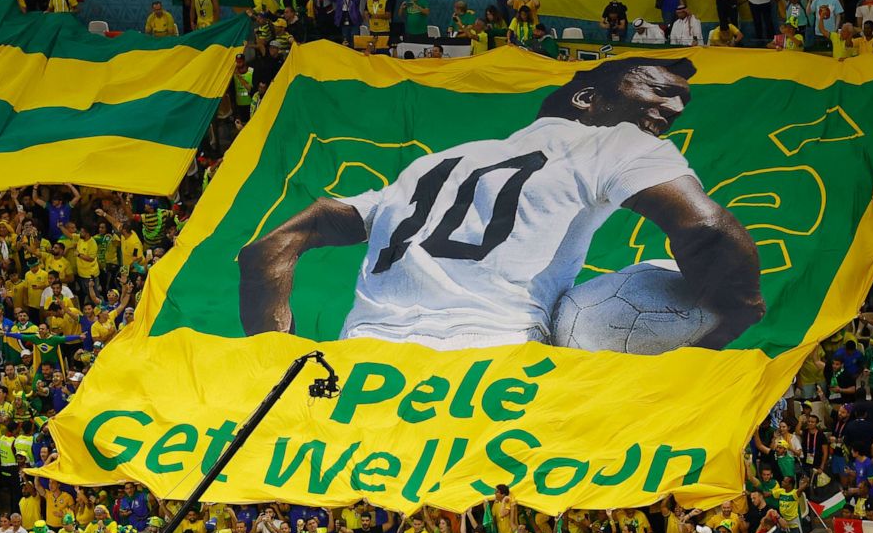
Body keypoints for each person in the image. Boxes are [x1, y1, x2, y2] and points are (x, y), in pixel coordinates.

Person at [239, 58, 764, 353]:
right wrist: (735, 310)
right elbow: (708, 230)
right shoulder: (614, 142)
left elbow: (273, 247)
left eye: (681, 100)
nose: (674, 106)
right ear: (587, 100)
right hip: (495, 362)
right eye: (658, 88)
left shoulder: (436, 163)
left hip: (368, 364)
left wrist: (276, 358)